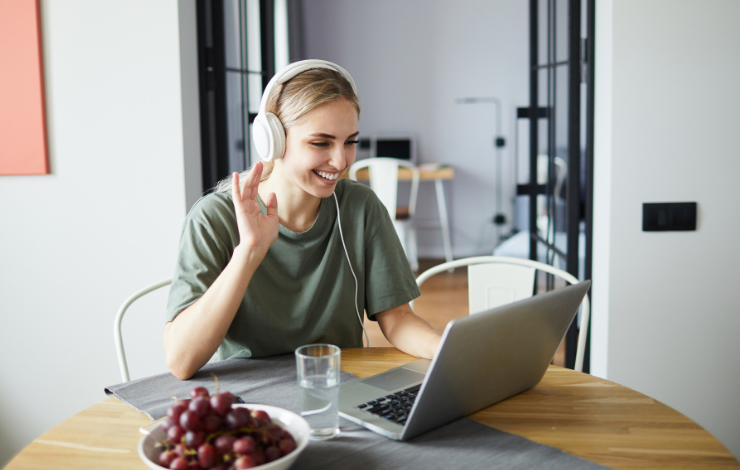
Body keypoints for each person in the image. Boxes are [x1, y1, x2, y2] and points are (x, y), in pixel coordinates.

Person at [164, 60, 441, 380]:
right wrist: (249, 251)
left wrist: (445, 348)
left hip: (337, 390)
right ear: (273, 141)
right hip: (250, 403)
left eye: (350, 142)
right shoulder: (214, 218)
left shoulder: (360, 207)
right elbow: (181, 361)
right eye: (321, 142)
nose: (341, 161)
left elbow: (398, 318)